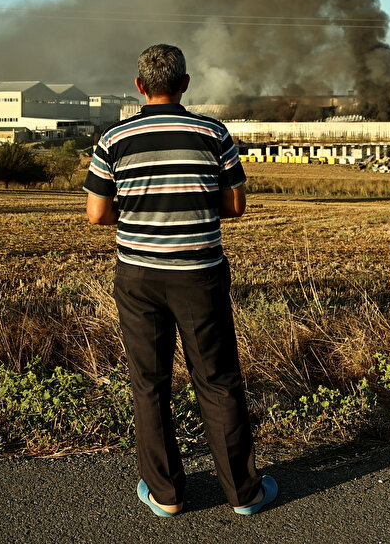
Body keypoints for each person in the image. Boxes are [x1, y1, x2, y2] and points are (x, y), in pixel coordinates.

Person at [85, 44, 277, 517]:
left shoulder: (113, 138)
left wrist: (141, 215)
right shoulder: (213, 133)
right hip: (200, 275)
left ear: (139, 86)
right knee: (217, 380)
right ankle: (244, 493)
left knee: (149, 383)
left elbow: (96, 214)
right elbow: (235, 207)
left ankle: (166, 494)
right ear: (185, 84)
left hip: (139, 277)